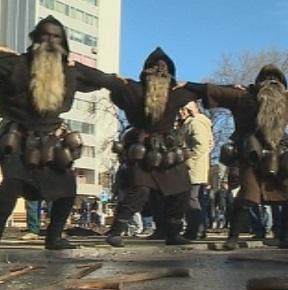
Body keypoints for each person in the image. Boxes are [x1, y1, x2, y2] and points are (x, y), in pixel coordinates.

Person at [0, 16, 110, 249]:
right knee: (12, 187)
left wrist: (123, 82)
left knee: (67, 191)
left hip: (51, 142)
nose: (50, 40)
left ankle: (54, 237)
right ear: (35, 39)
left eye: (56, 36)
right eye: (45, 35)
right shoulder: (17, 63)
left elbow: (104, 79)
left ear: (63, 42)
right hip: (18, 139)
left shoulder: (70, 71)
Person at [183, 64, 288, 250]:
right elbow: (212, 90)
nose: (271, 83)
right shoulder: (243, 96)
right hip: (250, 154)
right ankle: (233, 238)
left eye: (276, 80)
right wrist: (184, 84)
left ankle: (284, 237)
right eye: (267, 79)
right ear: (259, 82)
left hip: (279, 155)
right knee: (247, 196)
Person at [80, 47, 203, 247]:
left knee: (182, 188)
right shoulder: (133, 89)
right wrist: (73, 64)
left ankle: (172, 232)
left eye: (164, 67)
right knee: (141, 189)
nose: (159, 70)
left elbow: (207, 89)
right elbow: (103, 79)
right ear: (146, 70)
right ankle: (116, 231)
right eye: (155, 67)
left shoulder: (176, 94)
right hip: (140, 147)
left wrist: (190, 84)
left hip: (167, 149)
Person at [178, 101, 214, 241]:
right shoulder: (195, 122)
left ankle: (195, 230)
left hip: (193, 167)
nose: (180, 113)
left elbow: (201, 144)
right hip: (196, 166)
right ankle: (198, 229)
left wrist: (188, 159)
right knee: (195, 199)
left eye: (182, 109)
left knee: (191, 199)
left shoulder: (195, 123)